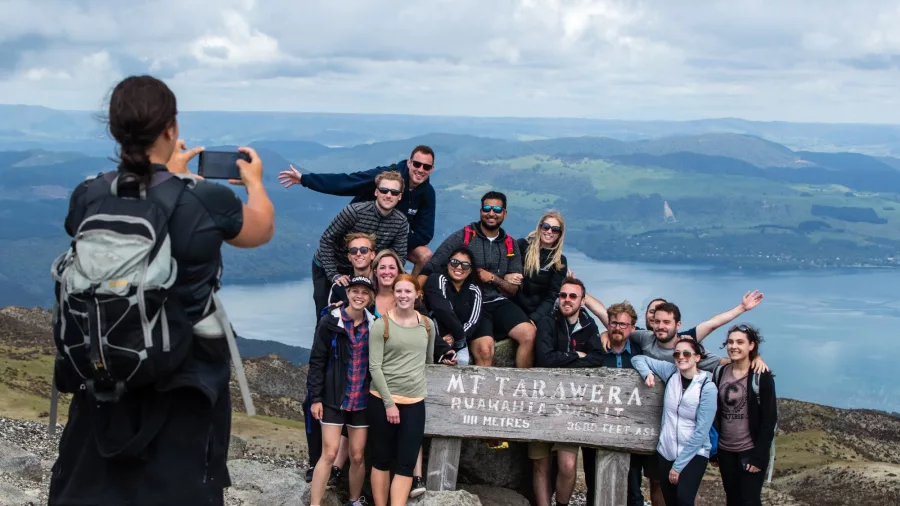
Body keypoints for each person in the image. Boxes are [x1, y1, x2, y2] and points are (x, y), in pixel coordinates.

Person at [48, 75, 275, 505]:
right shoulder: (204, 201)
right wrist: (255, 183)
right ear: (171, 128)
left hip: (102, 375)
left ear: (116, 130)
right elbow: (259, 229)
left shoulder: (87, 195)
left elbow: (134, 206)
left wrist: (169, 179)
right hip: (183, 387)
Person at [419, 191, 535, 368]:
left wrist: (493, 279)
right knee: (485, 351)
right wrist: (415, 290)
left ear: (505, 213)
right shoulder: (463, 237)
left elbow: (513, 290)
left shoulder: (510, 245)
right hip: (471, 303)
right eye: (487, 208)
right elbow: (432, 266)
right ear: (480, 211)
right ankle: (480, 395)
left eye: (497, 209)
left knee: (529, 334)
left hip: (498, 302)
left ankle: (521, 389)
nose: (491, 213)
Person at [279, 146, 436, 276]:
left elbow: (425, 234)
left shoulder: (427, 194)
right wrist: (305, 180)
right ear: (409, 163)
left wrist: (390, 239)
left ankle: (410, 294)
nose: (420, 170)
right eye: (417, 164)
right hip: (359, 235)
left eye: (426, 167)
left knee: (425, 256)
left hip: (387, 240)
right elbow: (347, 182)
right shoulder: (384, 178)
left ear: (431, 170)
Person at [531, 278, 604, 506]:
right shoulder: (547, 322)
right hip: (542, 403)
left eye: (573, 296)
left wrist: (562, 359)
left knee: (568, 465)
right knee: (540, 464)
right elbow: (544, 359)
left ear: (582, 300)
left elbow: (597, 359)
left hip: (571, 407)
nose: (567, 300)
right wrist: (576, 356)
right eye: (563, 295)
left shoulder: (589, 326)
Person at [307, 276, 377, 506]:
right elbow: (317, 360)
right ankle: (315, 503)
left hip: (362, 400)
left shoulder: (374, 325)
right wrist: (316, 398)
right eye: (354, 291)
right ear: (347, 294)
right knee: (329, 453)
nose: (359, 296)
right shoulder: (330, 321)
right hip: (333, 398)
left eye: (364, 292)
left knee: (357, 455)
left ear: (370, 297)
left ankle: (354, 501)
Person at [368, 274, 436, 506]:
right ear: (393, 294)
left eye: (408, 291)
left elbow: (427, 360)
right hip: (382, 401)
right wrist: (389, 404)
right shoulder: (382, 325)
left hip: (415, 402)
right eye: (399, 291)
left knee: (406, 463)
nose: (403, 296)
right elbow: (374, 367)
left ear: (418, 294)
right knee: (381, 460)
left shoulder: (427, 325)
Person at [311, 171, 409, 319]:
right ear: (376, 192)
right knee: (325, 313)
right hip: (329, 264)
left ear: (400, 196)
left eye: (394, 192)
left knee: (361, 311)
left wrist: (387, 281)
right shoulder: (354, 212)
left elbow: (399, 257)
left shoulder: (400, 222)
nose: (388, 195)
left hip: (362, 268)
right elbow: (326, 239)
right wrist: (334, 274)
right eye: (384, 190)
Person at [632, 339, 719, 506]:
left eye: (686, 353)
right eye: (677, 354)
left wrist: (678, 466)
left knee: (684, 499)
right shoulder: (671, 373)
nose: (681, 357)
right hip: (666, 451)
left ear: (697, 358)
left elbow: (701, 432)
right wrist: (646, 373)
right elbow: (638, 359)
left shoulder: (707, 388)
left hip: (694, 454)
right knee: (671, 501)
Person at [581, 302, 647, 506]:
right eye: (613, 323)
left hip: (632, 429)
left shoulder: (641, 352)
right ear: (607, 325)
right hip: (596, 427)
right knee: (594, 483)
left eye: (623, 324)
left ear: (633, 328)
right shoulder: (595, 349)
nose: (617, 328)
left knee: (633, 485)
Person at [712, 325, 777, 506]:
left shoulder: (761, 377)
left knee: (750, 500)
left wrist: (759, 456)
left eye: (740, 342)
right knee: (732, 499)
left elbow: (769, 419)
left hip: (750, 451)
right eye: (731, 342)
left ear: (751, 346)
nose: (734, 346)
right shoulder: (720, 373)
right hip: (725, 450)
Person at [423, 247, 486, 367]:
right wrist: (443, 340)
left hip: (459, 339)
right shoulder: (437, 279)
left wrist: (455, 337)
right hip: (434, 336)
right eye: (455, 262)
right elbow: (441, 310)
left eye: (465, 265)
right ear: (448, 264)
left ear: (470, 270)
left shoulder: (474, 290)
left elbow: (473, 321)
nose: (459, 267)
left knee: (462, 362)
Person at [515, 211, 569, 324]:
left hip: (540, 314)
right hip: (515, 306)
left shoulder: (560, 261)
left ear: (559, 234)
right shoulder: (522, 246)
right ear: (540, 228)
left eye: (555, 229)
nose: (549, 231)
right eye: (546, 227)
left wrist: (535, 318)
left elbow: (552, 295)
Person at [373, 249, 404, 318]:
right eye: (382, 267)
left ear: (398, 272)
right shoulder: (367, 298)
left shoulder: (408, 298)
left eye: (392, 268)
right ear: (375, 272)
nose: (387, 272)